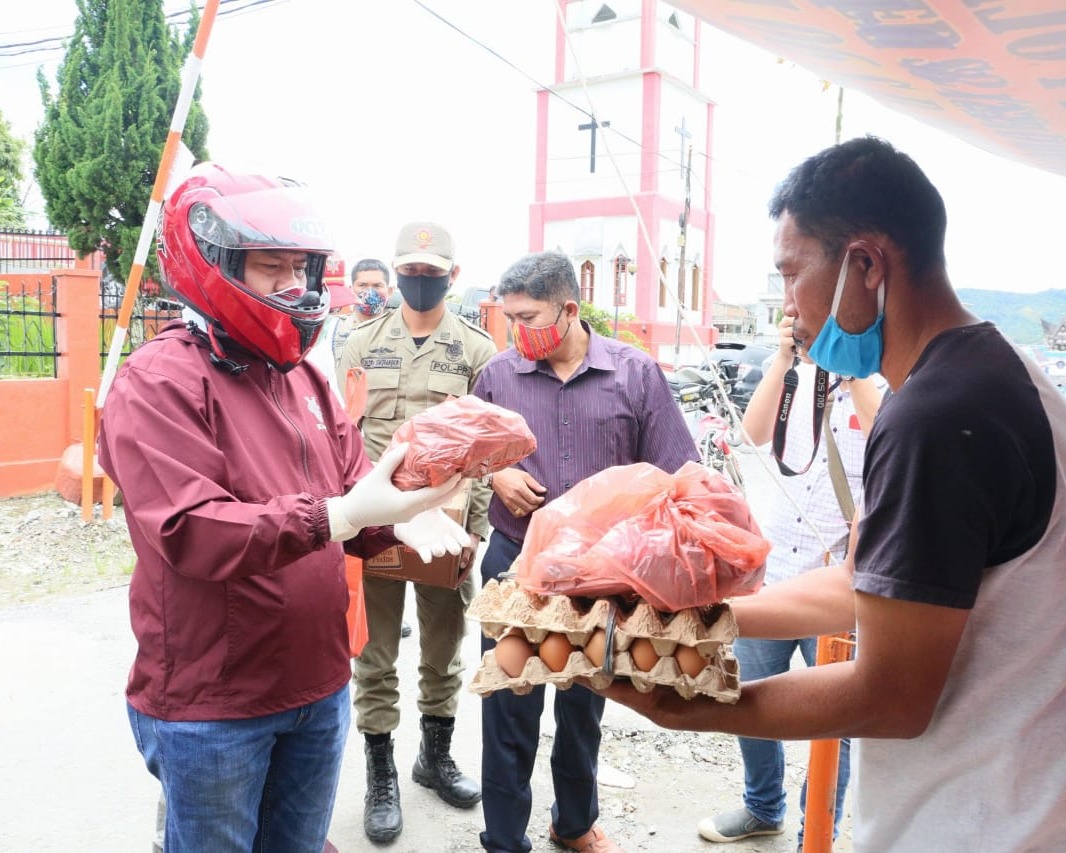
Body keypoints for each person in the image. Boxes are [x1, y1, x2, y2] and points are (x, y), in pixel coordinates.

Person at [595, 136, 1066, 851]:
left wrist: (695, 708)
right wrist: (707, 616)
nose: (788, 306)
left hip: (975, 819)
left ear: (866, 263)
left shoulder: (934, 417)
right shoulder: (1006, 369)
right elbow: (868, 581)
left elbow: (892, 695)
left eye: (791, 274)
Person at [97, 163, 469, 853]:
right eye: (272, 267)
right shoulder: (159, 381)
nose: (293, 285)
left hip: (319, 687)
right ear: (215, 262)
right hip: (216, 708)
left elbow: (355, 477)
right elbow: (190, 529)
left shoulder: (304, 378)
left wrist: (402, 510)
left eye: (299, 266)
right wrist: (336, 517)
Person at [472, 251, 700, 853]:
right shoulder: (498, 374)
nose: (519, 330)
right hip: (517, 562)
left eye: (529, 316)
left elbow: (680, 470)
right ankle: (502, 838)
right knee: (508, 706)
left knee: (585, 704)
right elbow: (468, 452)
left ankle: (573, 822)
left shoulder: (635, 374)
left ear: (569, 309)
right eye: (510, 317)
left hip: (602, 573)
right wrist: (496, 474)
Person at [337, 221, 497, 844]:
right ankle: (381, 774)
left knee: (442, 648)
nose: (420, 283)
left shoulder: (476, 351)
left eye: (433, 274)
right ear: (398, 271)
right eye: (412, 272)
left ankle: (433, 757)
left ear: (451, 277)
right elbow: (342, 438)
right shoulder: (360, 345)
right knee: (374, 655)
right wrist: (348, 518)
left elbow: (487, 449)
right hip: (378, 523)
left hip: (446, 528)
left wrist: (474, 529)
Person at [698, 314, 882, 847]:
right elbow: (751, 434)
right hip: (775, 574)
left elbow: (887, 431)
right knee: (744, 698)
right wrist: (783, 358)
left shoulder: (885, 386)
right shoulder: (796, 381)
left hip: (838, 588)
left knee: (836, 722)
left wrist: (853, 371)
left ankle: (815, 829)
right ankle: (762, 807)